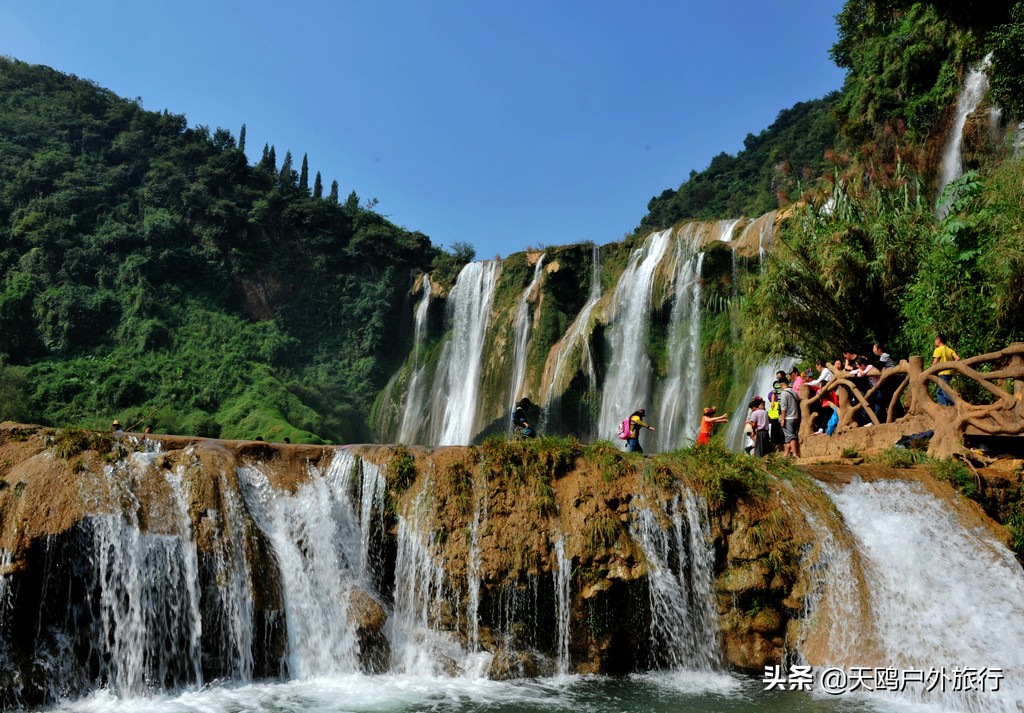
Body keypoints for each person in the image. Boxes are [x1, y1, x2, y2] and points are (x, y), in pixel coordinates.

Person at [932, 334, 960, 407]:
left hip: (943, 374)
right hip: (949, 373)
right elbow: (957, 358)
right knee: (939, 392)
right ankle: (945, 407)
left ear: (938, 341)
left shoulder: (938, 350)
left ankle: (956, 405)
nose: (935, 342)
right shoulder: (949, 350)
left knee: (945, 392)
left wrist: (930, 370)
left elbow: (935, 362)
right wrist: (952, 365)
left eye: (935, 340)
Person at [778, 376, 800, 458]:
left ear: (781, 385)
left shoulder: (784, 393)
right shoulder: (794, 392)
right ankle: (786, 454)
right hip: (795, 416)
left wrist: (782, 419)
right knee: (788, 436)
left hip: (788, 418)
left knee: (790, 436)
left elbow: (783, 407)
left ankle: (795, 454)